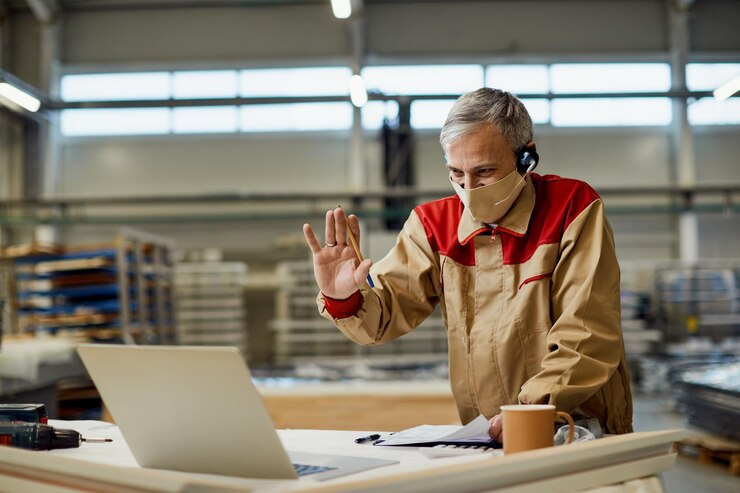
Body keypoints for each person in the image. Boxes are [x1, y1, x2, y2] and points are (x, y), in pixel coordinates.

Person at [302, 88, 633, 441]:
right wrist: (344, 298)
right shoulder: (432, 225)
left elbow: (587, 330)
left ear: (527, 158)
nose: (469, 188)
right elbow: (382, 316)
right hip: (489, 436)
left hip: (575, 426)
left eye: (485, 171)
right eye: (456, 174)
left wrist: (534, 407)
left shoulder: (571, 209)